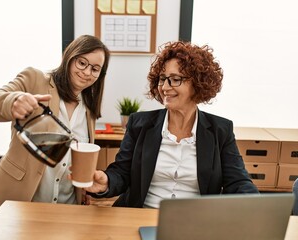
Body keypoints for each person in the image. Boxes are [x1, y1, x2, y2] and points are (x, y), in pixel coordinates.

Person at [86, 41, 259, 208]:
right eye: (162, 79)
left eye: (175, 79)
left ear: (198, 84)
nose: (165, 87)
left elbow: (238, 181)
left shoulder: (220, 130)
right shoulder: (139, 124)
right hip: (141, 215)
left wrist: (257, 205)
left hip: (195, 222)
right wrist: (106, 182)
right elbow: (122, 172)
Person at [0, 35, 110, 208]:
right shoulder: (35, 79)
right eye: (82, 63)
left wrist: (83, 192)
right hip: (23, 201)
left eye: (95, 69)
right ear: (69, 57)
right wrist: (14, 101)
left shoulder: (88, 108)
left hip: (68, 204)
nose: (87, 72)